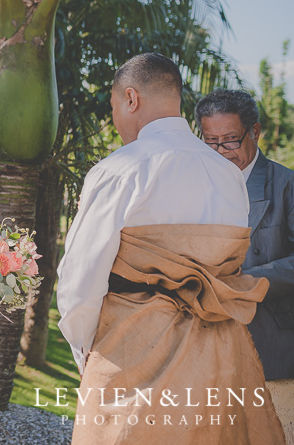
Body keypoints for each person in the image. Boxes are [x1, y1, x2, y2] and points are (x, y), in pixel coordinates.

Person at [56, 53, 284, 443]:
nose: (115, 118)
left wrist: (87, 353)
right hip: (219, 356)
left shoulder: (120, 170)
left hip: (131, 353)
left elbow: (81, 279)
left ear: (131, 98)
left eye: (113, 107)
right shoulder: (230, 176)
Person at [196, 88, 294, 442]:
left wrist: (245, 283)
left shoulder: (287, 184)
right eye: (211, 142)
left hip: (274, 350)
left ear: (255, 132)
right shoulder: (195, 187)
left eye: (231, 140)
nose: (222, 152)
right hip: (206, 351)